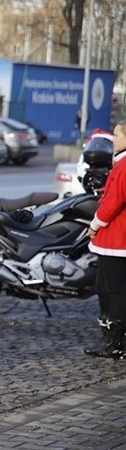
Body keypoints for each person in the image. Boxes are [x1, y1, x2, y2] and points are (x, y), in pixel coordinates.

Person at [85, 120, 126, 359]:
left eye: (117, 135)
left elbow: (113, 202)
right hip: (117, 238)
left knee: (112, 290)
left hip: (117, 239)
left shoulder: (123, 166)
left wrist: (95, 224)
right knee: (112, 289)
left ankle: (115, 343)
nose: (113, 139)